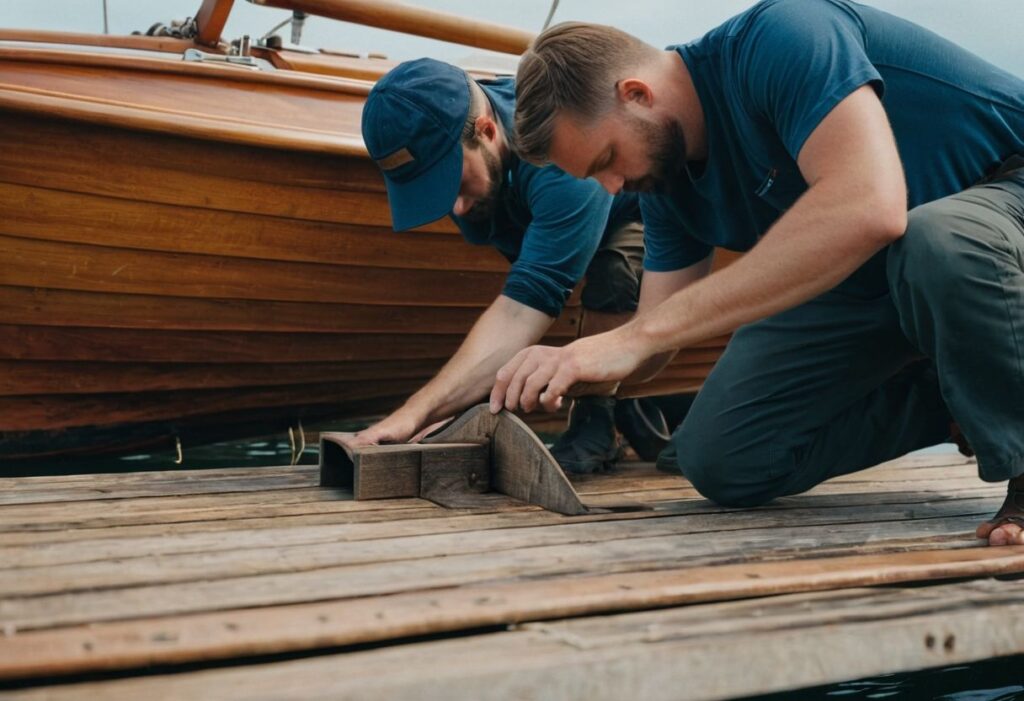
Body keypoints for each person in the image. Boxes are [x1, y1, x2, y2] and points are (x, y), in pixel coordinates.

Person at [494, 0, 1024, 545]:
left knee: (939, 239)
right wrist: (576, 369)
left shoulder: (784, 35)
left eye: (606, 159)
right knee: (720, 458)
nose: (609, 188)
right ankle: (965, 389)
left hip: (1003, 200)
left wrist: (636, 335)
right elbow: (653, 336)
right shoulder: (665, 181)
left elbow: (869, 206)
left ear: (636, 94)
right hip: (884, 273)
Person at [354, 57, 671, 472]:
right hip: (547, 212)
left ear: (487, 130)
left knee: (613, 272)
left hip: (640, 206)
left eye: (454, 183)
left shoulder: (557, 156)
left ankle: (598, 414)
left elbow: (526, 304)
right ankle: (630, 409)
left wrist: (414, 413)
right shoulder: (462, 137)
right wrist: (463, 398)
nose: (456, 207)